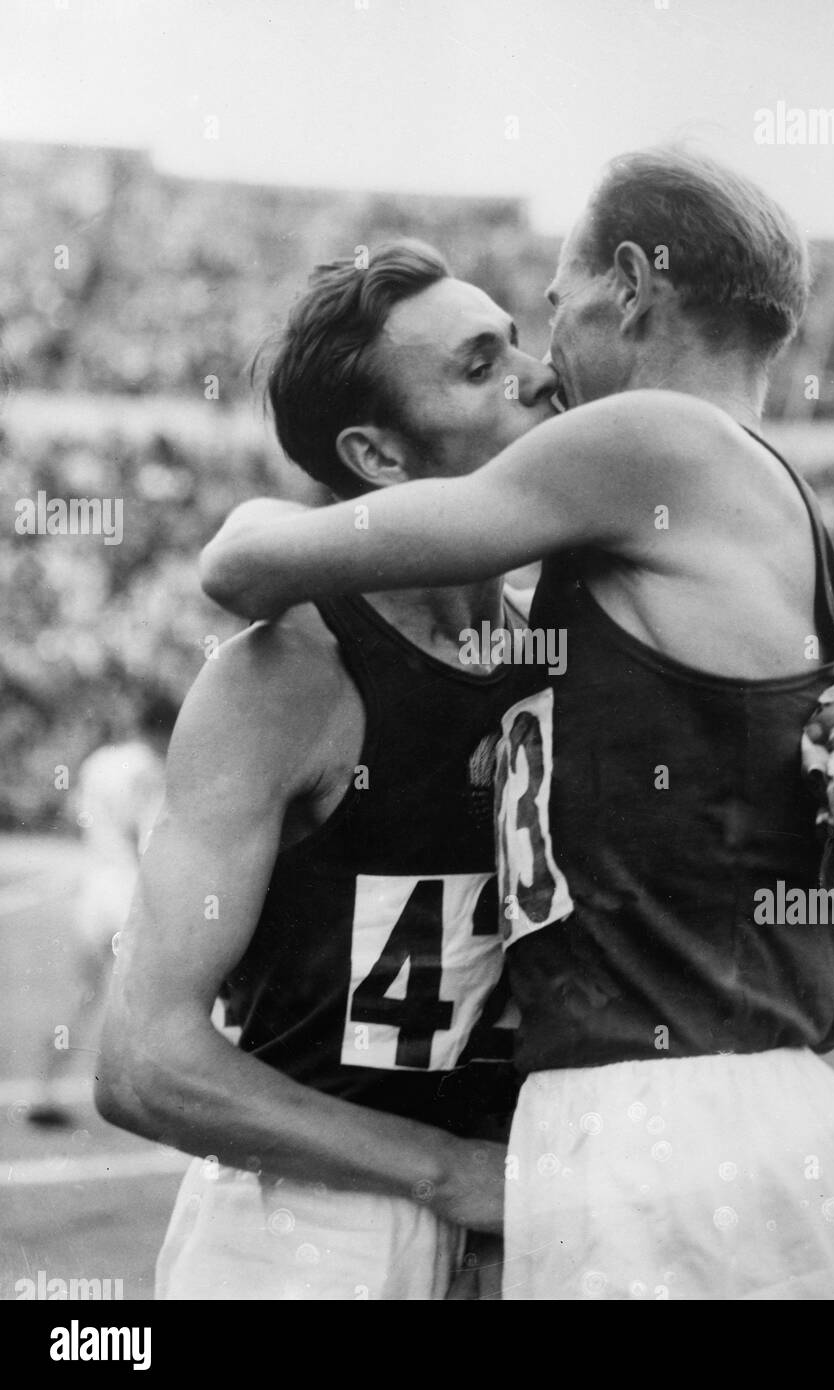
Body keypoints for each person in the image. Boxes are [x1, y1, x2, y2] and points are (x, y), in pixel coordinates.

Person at [201, 148, 834, 1300]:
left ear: (633, 284)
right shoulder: (744, 495)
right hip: (730, 1117)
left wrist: (249, 520)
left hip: (666, 1124)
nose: (545, 365)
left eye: (551, 308)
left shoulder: (650, 441)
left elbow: (247, 561)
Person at [95, 241, 562, 1300]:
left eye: (518, 342)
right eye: (479, 365)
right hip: (311, 1232)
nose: (534, 373)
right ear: (381, 461)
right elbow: (142, 1061)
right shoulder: (288, 673)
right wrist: (445, 1172)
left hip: (506, 1215)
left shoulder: (553, 636)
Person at [28, 703, 168, 1128]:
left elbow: (78, 814)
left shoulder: (98, 762)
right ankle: (142, 1101)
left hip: (95, 884)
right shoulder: (150, 766)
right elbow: (148, 836)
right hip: (129, 888)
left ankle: (44, 1091)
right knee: (146, 1000)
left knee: (82, 993)